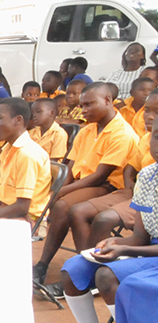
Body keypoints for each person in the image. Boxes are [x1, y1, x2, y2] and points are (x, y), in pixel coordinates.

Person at [60, 125, 158, 323]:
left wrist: (124, 251)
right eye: (156, 134)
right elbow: (140, 236)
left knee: (107, 276)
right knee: (74, 270)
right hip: (149, 250)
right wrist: (115, 243)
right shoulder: (149, 175)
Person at [33, 82, 139, 287]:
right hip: (87, 184)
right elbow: (71, 167)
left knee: (65, 205)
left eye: (89, 104)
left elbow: (100, 176)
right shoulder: (87, 130)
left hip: (110, 186)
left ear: (108, 101)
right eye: (82, 106)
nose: (83, 111)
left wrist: (61, 191)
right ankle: (44, 266)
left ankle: (83, 270)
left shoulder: (122, 133)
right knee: (59, 202)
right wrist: (59, 190)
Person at [71, 88, 158, 247]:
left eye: (156, 111)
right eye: (147, 110)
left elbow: (100, 175)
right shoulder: (147, 139)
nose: (150, 116)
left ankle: (95, 261)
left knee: (104, 219)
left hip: (149, 199)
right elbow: (131, 165)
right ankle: (86, 261)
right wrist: (128, 182)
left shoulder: (123, 133)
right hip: (136, 193)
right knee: (78, 211)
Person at [0, 98, 52, 221]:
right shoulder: (8, 149)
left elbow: (22, 207)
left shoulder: (27, 154)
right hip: (7, 212)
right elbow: (0, 199)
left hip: (27, 219)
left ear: (18, 120)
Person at [29, 97, 69, 161]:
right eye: (33, 113)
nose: (34, 115)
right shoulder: (32, 133)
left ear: (52, 113)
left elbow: (54, 161)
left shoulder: (59, 134)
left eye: (38, 112)